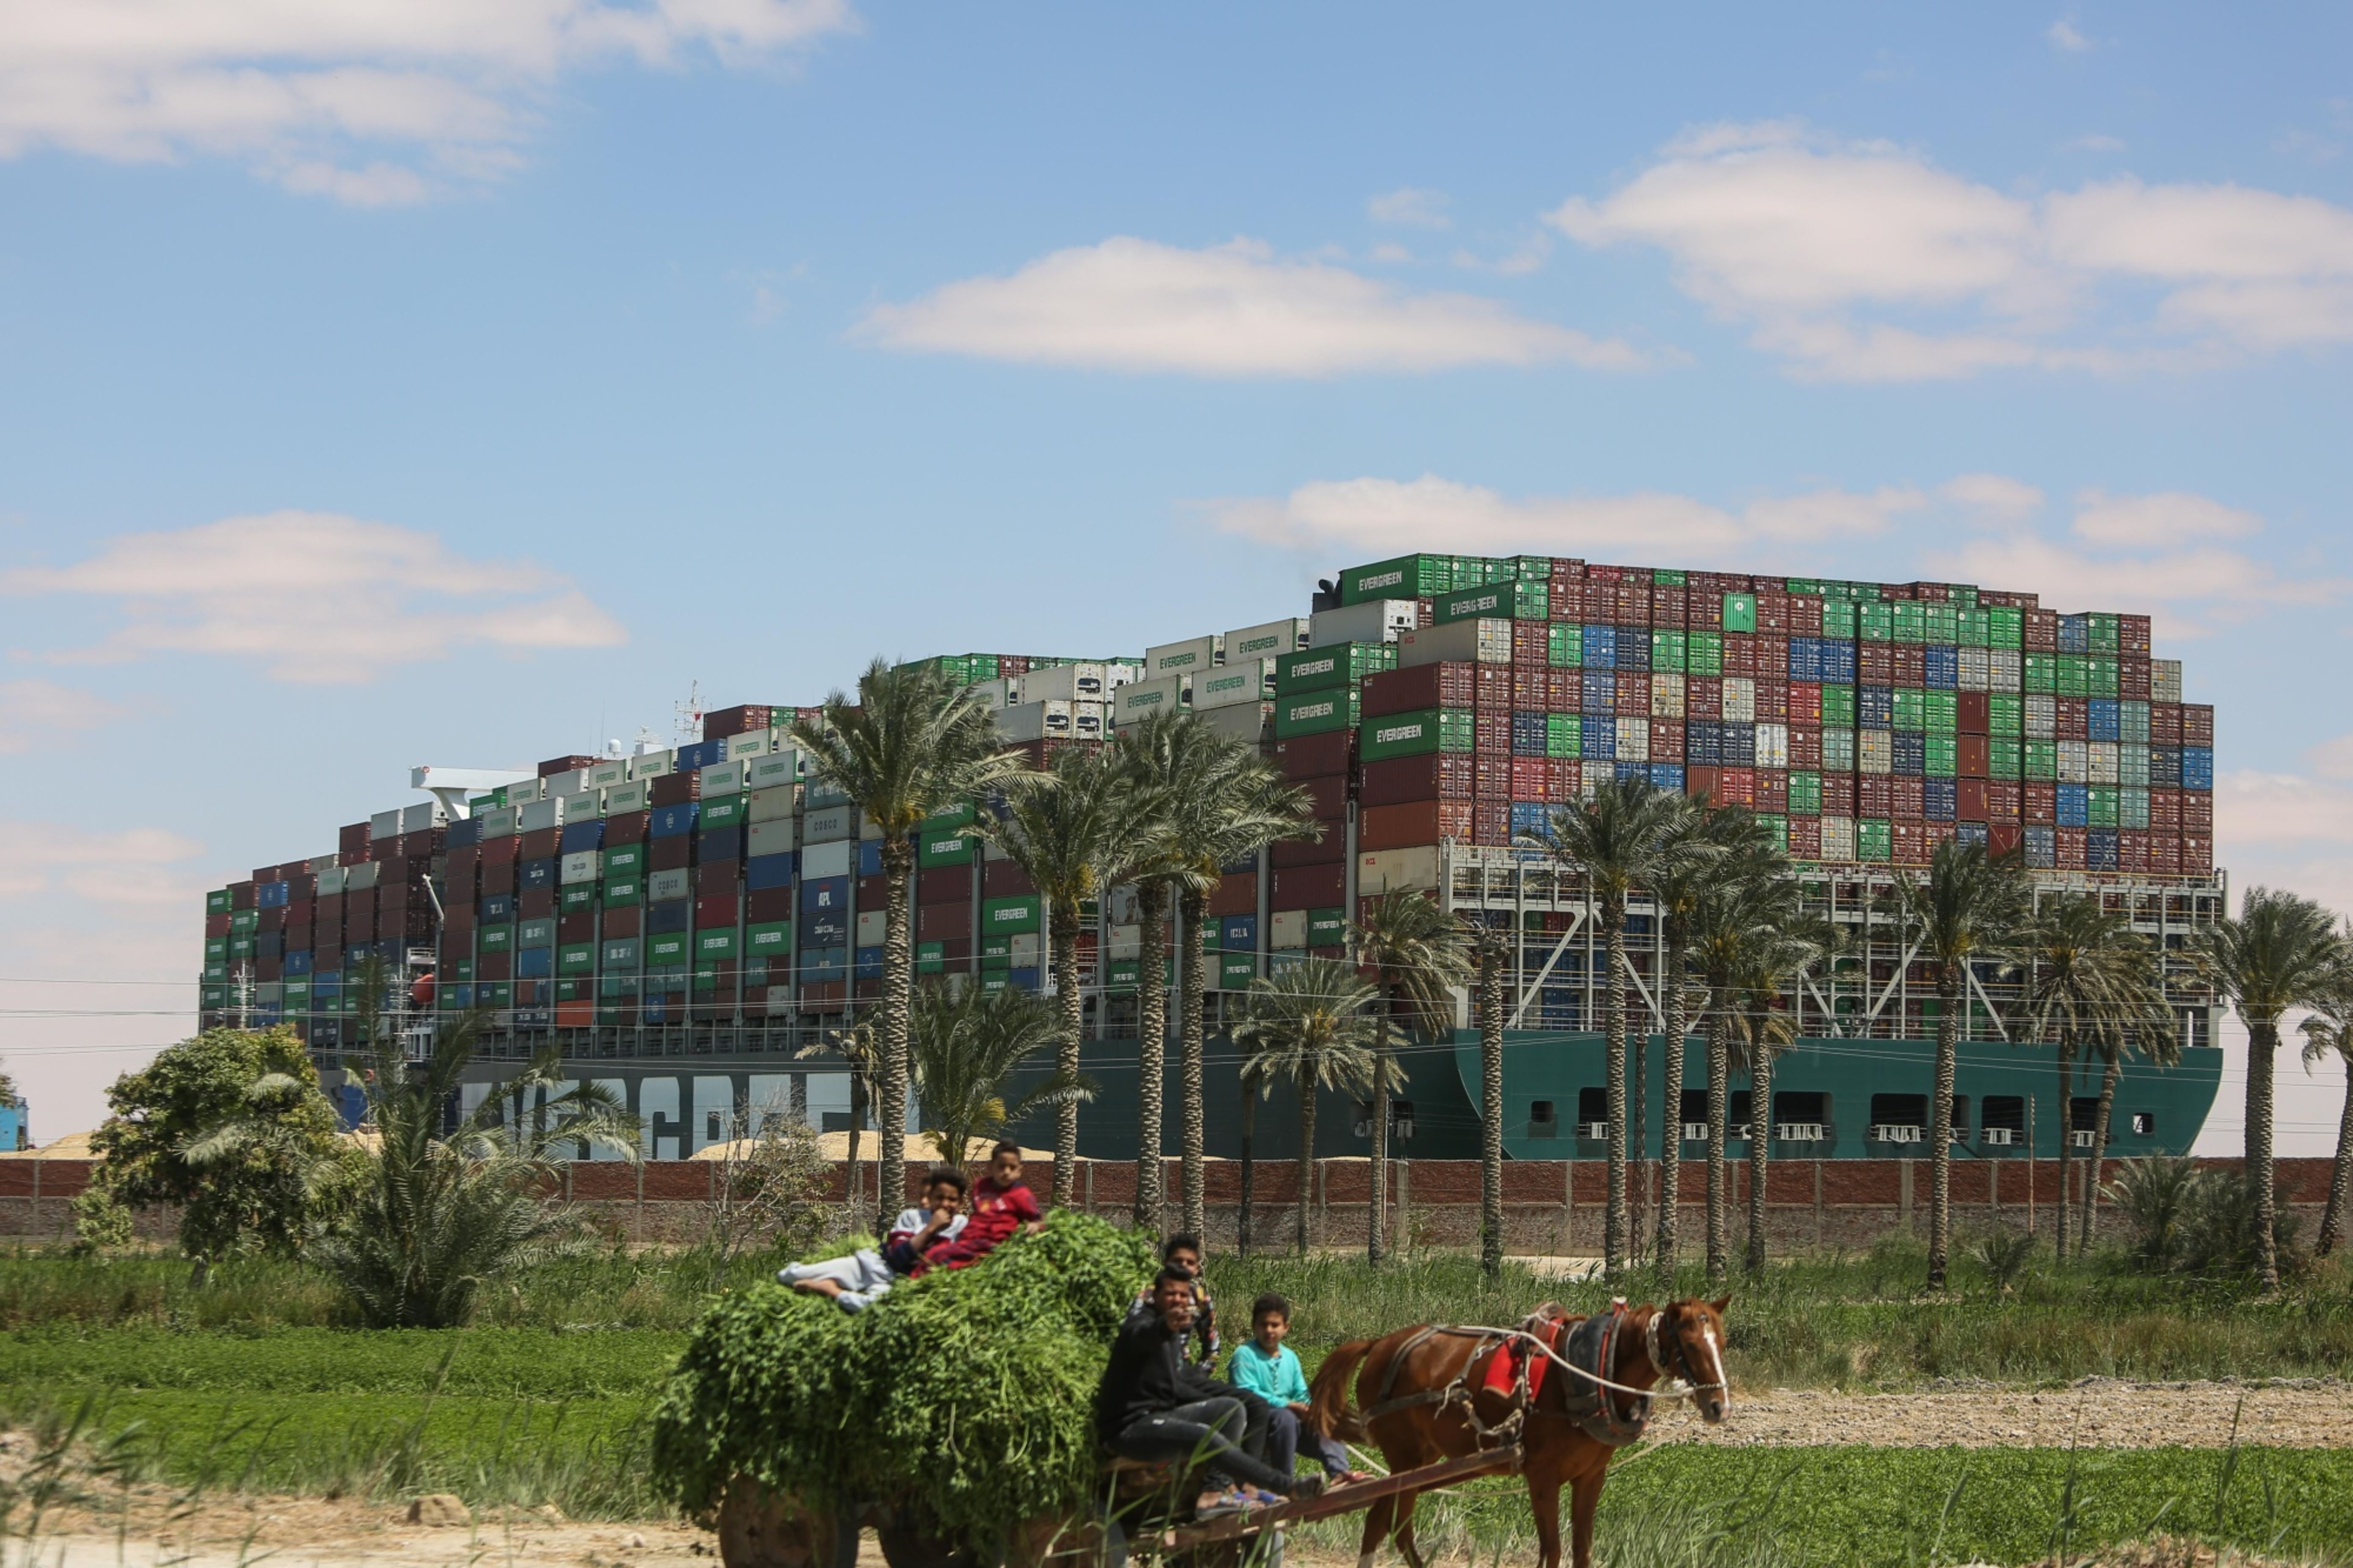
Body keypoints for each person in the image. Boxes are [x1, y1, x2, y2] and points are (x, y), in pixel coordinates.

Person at [1097, 1268, 1316, 1517]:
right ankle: (1285, 1486)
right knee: (1205, 1436)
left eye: (1183, 1296)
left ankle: (1215, 1491)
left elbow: (1174, 1387)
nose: (1178, 1300)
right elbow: (1139, 1336)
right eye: (1171, 1294)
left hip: (1162, 1416)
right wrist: (1163, 1326)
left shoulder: (1173, 1334)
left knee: (1231, 1408)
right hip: (1131, 1428)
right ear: (1156, 1296)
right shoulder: (1141, 1322)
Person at [779, 1166, 968, 1312]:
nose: (945, 1204)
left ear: (961, 1203)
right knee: (789, 1276)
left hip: (897, 1283)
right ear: (931, 1197)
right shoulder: (912, 1217)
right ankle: (826, 1280)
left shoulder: (962, 1225)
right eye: (940, 1197)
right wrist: (931, 1228)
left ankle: (831, 1291)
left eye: (952, 1200)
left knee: (878, 1308)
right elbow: (898, 1257)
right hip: (873, 1266)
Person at [1225, 1293, 1367, 1484]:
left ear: (1286, 1328)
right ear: (1254, 1326)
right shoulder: (1244, 1355)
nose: (1269, 1330)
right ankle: (1286, 1483)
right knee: (1286, 1418)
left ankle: (1340, 1473)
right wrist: (1288, 1405)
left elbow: (1300, 1392)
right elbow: (1247, 1392)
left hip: (1289, 1423)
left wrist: (1310, 1410)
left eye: (1275, 1325)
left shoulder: (1290, 1357)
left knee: (1322, 1421)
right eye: (1263, 1325)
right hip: (1256, 1422)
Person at [926, 1141, 1045, 1270]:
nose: (1007, 1172)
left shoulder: (1021, 1195)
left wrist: (1035, 1225)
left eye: (1012, 1167)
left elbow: (1037, 1220)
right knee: (934, 1255)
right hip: (971, 1240)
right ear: (991, 1167)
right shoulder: (981, 1186)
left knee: (950, 1261)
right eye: (1001, 1166)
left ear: (1020, 1171)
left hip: (995, 1245)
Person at [1130, 1234, 1219, 1366]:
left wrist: (1199, 1375)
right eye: (1178, 1261)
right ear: (1166, 1263)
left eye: (1190, 1263)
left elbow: (1212, 1347)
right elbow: (1132, 1336)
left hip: (1183, 1373)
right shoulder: (1148, 1297)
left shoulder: (1200, 1298)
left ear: (1197, 1269)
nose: (1184, 1266)